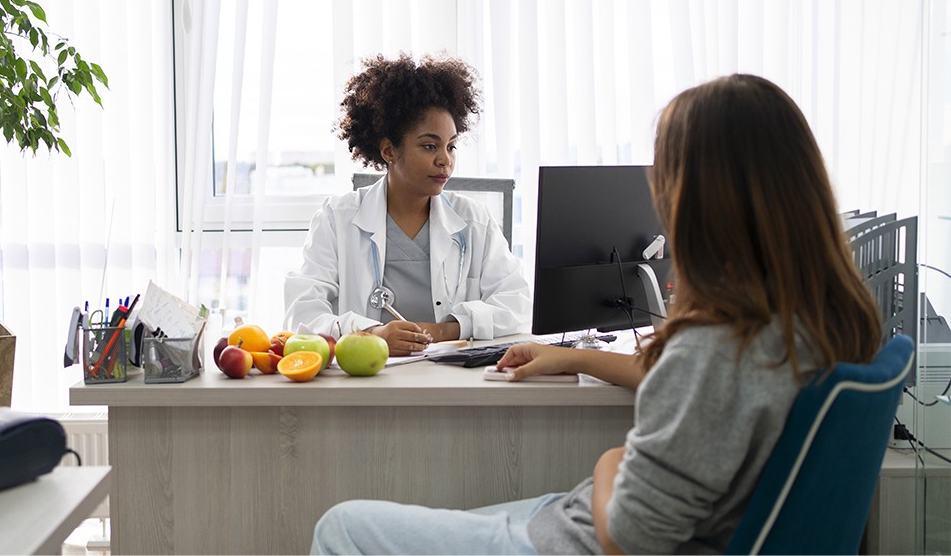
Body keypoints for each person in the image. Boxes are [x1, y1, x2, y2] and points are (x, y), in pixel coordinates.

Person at [307, 74, 882, 556]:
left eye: (666, 172)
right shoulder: (817, 324)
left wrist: (611, 460)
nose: (658, 191)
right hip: (580, 519)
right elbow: (687, 381)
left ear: (703, 195)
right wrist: (575, 356)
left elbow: (631, 531)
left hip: (581, 536)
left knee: (341, 527)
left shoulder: (716, 348)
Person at [284, 52, 531, 356]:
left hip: (452, 376)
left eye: (451, 146)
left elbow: (517, 304)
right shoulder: (336, 219)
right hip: (370, 377)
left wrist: (445, 329)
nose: (445, 160)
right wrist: (370, 334)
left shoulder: (473, 220)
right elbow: (302, 315)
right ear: (389, 150)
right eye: (430, 146)